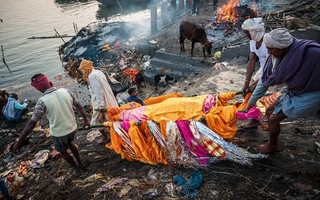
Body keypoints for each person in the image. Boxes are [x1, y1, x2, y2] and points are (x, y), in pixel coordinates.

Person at [245, 28, 320, 154]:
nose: (268, 52)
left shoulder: (313, 53)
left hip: (312, 92)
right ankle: (270, 134)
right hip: (295, 89)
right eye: (267, 48)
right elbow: (265, 81)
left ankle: (273, 145)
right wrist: (251, 102)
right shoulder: (278, 55)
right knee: (269, 110)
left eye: (271, 49)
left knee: (274, 119)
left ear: (283, 48)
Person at [12, 74, 90, 171]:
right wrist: (86, 121)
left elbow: (32, 123)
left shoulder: (42, 101)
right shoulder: (66, 91)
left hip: (59, 133)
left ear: (39, 90)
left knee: (63, 151)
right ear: (50, 82)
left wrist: (19, 141)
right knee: (70, 143)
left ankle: (77, 168)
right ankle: (80, 163)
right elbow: (79, 107)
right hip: (72, 128)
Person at [78, 59, 118, 144]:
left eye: (83, 71)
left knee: (95, 122)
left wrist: (101, 106)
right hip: (108, 98)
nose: (83, 73)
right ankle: (111, 137)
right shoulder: (98, 72)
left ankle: (107, 137)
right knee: (107, 120)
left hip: (101, 102)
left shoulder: (92, 76)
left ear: (85, 69)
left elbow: (98, 91)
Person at [240, 18, 269, 128]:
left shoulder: (268, 42)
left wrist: (257, 82)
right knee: (249, 90)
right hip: (263, 68)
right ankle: (254, 116)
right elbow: (251, 61)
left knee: (254, 92)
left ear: (254, 31)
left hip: (273, 69)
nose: (246, 35)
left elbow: (271, 66)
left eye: (247, 33)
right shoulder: (253, 41)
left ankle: (255, 119)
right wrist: (246, 83)